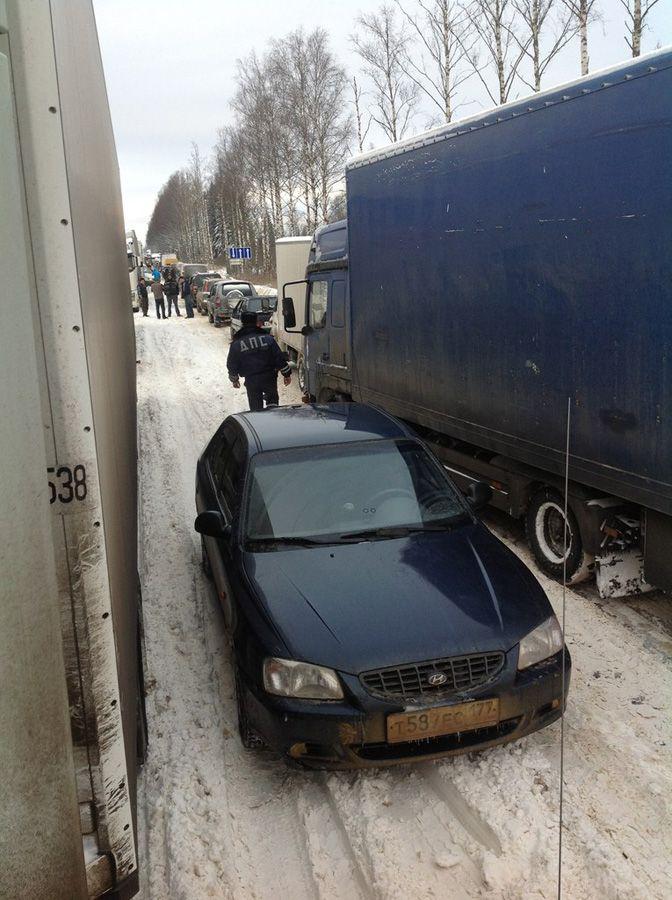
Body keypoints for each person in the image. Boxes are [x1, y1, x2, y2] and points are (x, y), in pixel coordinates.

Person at [227, 311, 291, 411]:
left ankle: (258, 424)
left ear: (242, 323)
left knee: (256, 410)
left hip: (252, 381)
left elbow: (232, 364)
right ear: (257, 322)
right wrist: (286, 374)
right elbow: (279, 357)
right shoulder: (268, 339)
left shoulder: (236, 344)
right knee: (273, 408)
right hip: (269, 378)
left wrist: (234, 379)